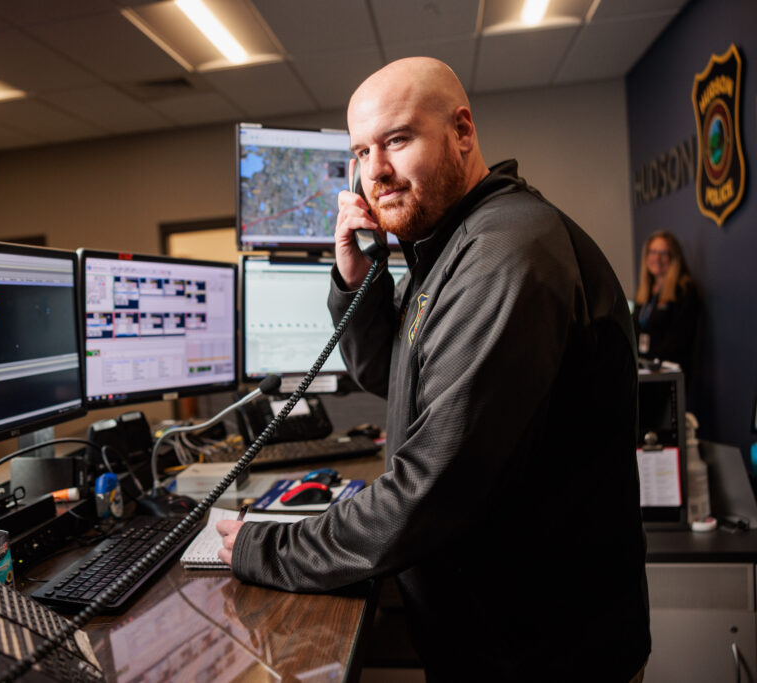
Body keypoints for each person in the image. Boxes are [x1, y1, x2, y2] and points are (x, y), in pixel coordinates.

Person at [216, 57, 650, 682]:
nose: (376, 173)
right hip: (503, 642)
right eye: (361, 152)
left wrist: (269, 546)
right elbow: (392, 374)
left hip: (546, 657)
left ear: (463, 132)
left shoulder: (506, 255)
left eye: (396, 140)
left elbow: (428, 491)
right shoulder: (454, 244)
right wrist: (358, 279)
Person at [633, 230, 700, 375]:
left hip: (669, 373)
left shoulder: (684, 290)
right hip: (645, 369)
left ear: (673, 257)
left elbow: (680, 338)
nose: (657, 258)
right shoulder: (645, 291)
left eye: (663, 253)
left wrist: (653, 360)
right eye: (652, 252)